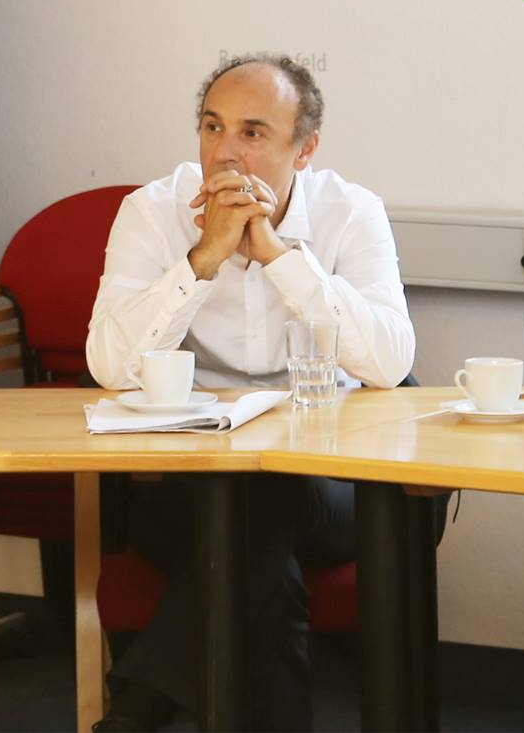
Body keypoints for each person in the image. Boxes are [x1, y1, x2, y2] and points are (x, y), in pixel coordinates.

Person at [85, 54, 416, 732]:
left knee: (264, 502)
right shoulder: (153, 211)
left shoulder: (351, 212)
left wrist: (277, 257)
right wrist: (202, 258)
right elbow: (110, 366)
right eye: (213, 126)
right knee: (262, 558)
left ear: (305, 149)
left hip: (324, 484)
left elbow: (389, 361)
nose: (225, 151)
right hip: (189, 483)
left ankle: (137, 710)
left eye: (253, 132)